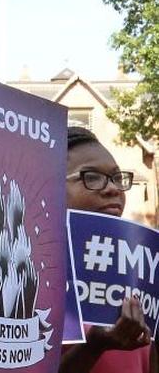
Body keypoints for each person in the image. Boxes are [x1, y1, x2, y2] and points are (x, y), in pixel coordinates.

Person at [59, 126, 154, 373]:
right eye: (91, 177)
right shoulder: (29, 271)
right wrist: (93, 347)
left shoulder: (141, 269)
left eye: (116, 177)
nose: (113, 189)